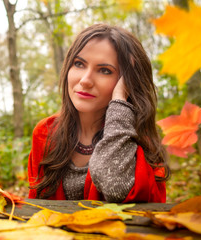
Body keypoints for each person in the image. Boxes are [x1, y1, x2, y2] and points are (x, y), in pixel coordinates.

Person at [27, 23, 170, 203]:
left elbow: (116, 189)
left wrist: (119, 100)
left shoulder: (140, 143)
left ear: (127, 82)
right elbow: (34, 207)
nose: (85, 80)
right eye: (79, 64)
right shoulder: (45, 133)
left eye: (105, 70)